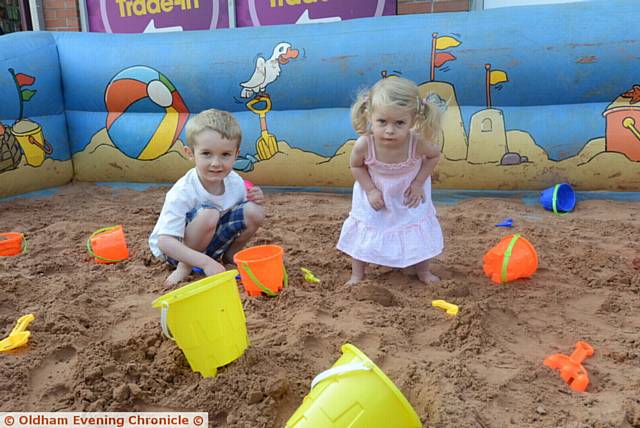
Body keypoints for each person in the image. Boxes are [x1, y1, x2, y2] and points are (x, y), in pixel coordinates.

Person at [337, 76, 445, 285]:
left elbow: (434, 156)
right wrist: (370, 190)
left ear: (413, 121)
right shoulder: (364, 144)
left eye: (399, 123)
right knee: (366, 228)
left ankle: (423, 271)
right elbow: (356, 166)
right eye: (382, 122)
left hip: (407, 193)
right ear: (370, 116)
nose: (389, 130)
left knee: (415, 227)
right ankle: (357, 274)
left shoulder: (417, 143)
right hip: (375, 192)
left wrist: (418, 183)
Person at [149, 109, 265, 286]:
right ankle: (184, 267)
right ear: (190, 153)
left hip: (210, 242)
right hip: (178, 250)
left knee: (255, 211)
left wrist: (256, 198)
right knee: (209, 214)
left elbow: (242, 214)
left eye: (225, 155)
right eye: (206, 154)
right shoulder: (183, 190)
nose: (216, 163)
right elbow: (165, 242)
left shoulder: (235, 182)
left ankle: (229, 255)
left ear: (236, 154)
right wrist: (205, 262)